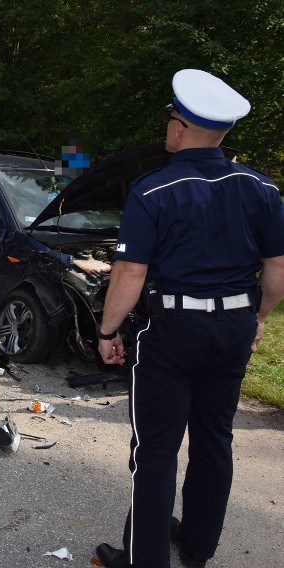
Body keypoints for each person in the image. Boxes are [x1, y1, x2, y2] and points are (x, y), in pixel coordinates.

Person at [94, 69, 284, 568]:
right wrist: (259, 317)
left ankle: (145, 560)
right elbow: (277, 268)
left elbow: (131, 273)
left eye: (168, 117)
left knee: (155, 451)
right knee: (214, 441)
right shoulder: (262, 188)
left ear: (180, 126)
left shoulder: (153, 190)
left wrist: (108, 331)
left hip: (171, 331)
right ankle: (197, 550)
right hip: (234, 327)